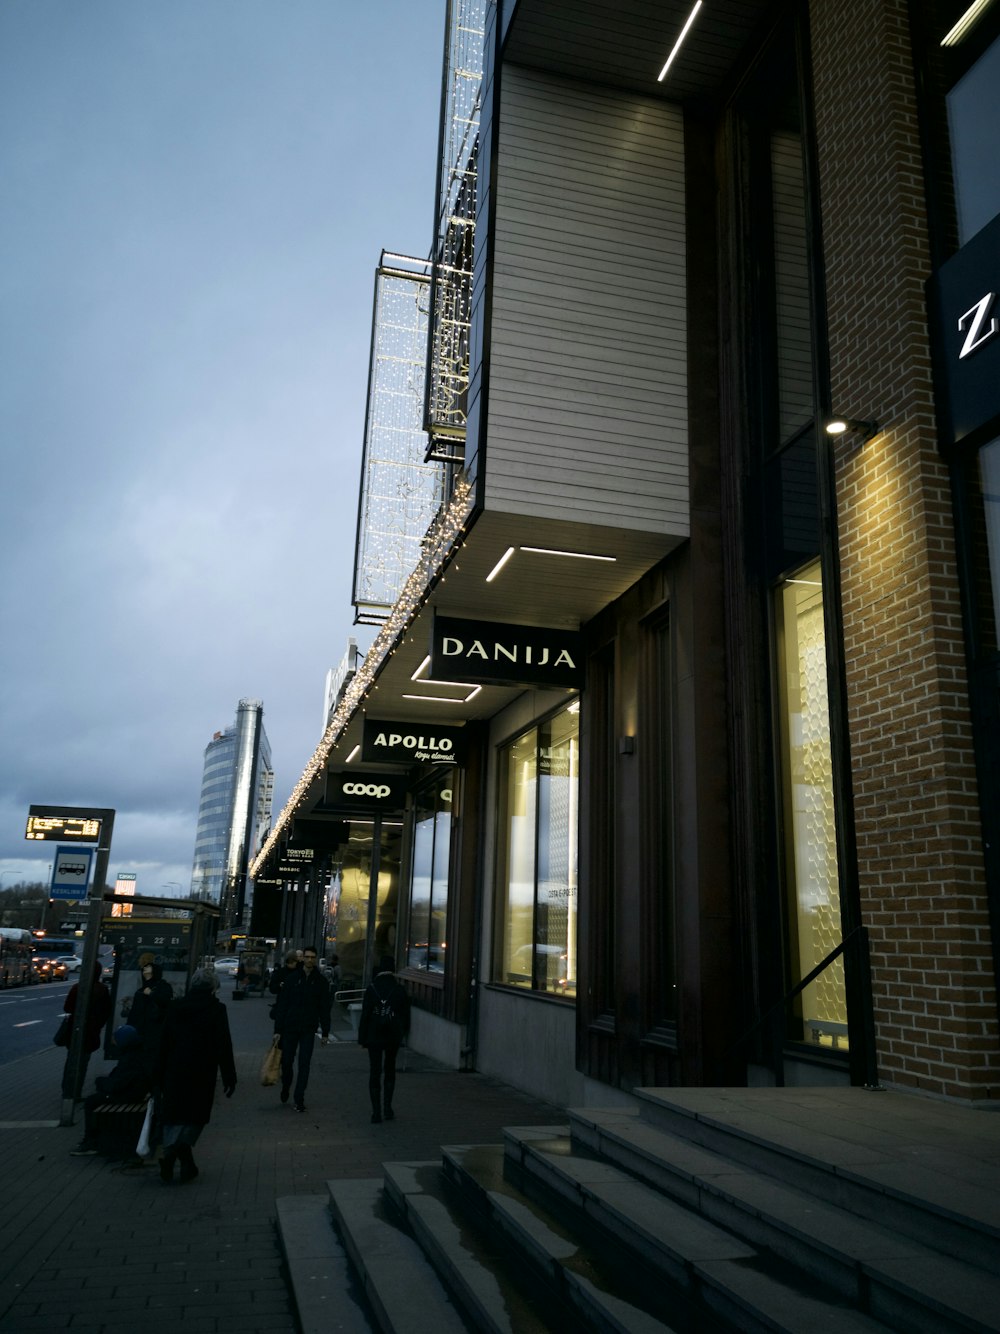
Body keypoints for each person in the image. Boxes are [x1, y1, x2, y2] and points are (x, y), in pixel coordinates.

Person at [156, 969, 236, 1184]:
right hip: (202, 1070)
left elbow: (164, 1040)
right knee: (196, 1114)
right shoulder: (217, 1009)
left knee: (173, 1113)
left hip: (175, 1068)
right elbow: (223, 1044)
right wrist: (229, 1075)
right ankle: (180, 1156)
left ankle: (172, 1155)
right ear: (213, 987)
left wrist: (158, 1071)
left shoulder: (176, 1006)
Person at [70, 1024, 149, 1155]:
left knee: (91, 1102)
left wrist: (100, 1082)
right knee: (97, 1098)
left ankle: (91, 1141)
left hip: (129, 1095)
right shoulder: (136, 1053)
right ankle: (94, 1139)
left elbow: (118, 1084)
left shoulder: (129, 1059)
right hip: (135, 1092)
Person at [272, 945, 330, 1112]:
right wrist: (278, 1030)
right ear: (302, 958)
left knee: (304, 1064)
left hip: (308, 1028)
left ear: (316, 959)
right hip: (290, 1027)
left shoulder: (320, 982)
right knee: (287, 1062)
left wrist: (325, 1031)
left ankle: (299, 1098)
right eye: (307, 957)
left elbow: (324, 1008)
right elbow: (283, 1004)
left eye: (313, 957)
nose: (310, 960)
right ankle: (286, 1086)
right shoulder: (292, 979)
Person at [358, 955, 410, 1124]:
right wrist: (404, 1033)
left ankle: (376, 1112)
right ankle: (388, 1108)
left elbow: (365, 1014)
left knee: (374, 1071)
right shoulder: (399, 989)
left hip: (374, 1035)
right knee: (389, 1069)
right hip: (392, 1035)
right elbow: (405, 1015)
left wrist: (362, 1038)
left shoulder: (372, 988)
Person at [61, 962, 113, 1100]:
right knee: (83, 1063)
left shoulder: (77, 987)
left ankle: (67, 1091)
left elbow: (67, 1008)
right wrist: (98, 1024)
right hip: (91, 1031)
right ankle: (76, 1092)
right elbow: (107, 1011)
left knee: (71, 1060)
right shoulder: (102, 989)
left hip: (74, 1029)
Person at [122, 954, 173, 1083]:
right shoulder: (144, 990)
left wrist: (151, 994)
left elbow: (166, 1003)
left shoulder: (157, 989)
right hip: (149, 1032)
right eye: (144, 972)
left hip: (152, 1031)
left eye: (147, 972)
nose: (145, 974)